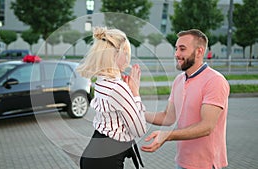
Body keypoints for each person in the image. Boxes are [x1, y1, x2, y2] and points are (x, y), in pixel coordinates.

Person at [141, 29, 230, 169]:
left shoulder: (215, 81)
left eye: (182, 49)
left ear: (199, 51)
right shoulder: (179, 80)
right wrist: (137, 113)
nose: (177, 54)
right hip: (182, 162)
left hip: (205, 164)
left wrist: (168, 135)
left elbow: (207, 126)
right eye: (176, 49)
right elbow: (168, 117)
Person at [77, 27, 147, 169]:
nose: (128, 58)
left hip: (94, 154)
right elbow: (139, 130)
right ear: (115, 55)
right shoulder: (117, 87)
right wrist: (135, 93)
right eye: (126, 52)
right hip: (106, 160)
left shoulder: (101, 81)